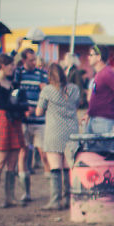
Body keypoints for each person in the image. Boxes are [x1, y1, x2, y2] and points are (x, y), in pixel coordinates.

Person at [35, 63, 81, 211]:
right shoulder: (74, 89)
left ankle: (55, 200)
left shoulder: (47, 90)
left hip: (54, 132)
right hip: (71, 133)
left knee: (55, 168)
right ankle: (68, 199)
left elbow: (38, 112)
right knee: (68, 167)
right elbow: (78, 105)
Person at [0, 53, 24, 208]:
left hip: (14, 121)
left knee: (13, 161)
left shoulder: (12, 83)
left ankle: (10, 197)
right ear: (2, 66)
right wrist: (22, 107)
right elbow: (2, 104)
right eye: (11, 65)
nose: (13, 68)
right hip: (2, 122)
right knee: (0, 160)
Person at [13, 48, 48, 202]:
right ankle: (25, 192)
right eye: (31, 60)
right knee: (23, 153)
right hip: (24, 121)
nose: (34, 62)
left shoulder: (41, 74)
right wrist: (23, 109)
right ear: (24, 61)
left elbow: (47, 94)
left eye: (35, 59)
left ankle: (53, 192)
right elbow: (14, 94)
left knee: (44, 154)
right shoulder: (18, 73)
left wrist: (40, 106)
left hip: (40, 121)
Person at [84, 45, 114, 151]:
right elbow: (96, 98)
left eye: (91, 55)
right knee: (91, 153)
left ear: (99, 57)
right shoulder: (99, 74)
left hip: (103, 121)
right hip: (94, 119)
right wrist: (88, 113)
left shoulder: (107, 73)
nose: (88, 57)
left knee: (101, 153)